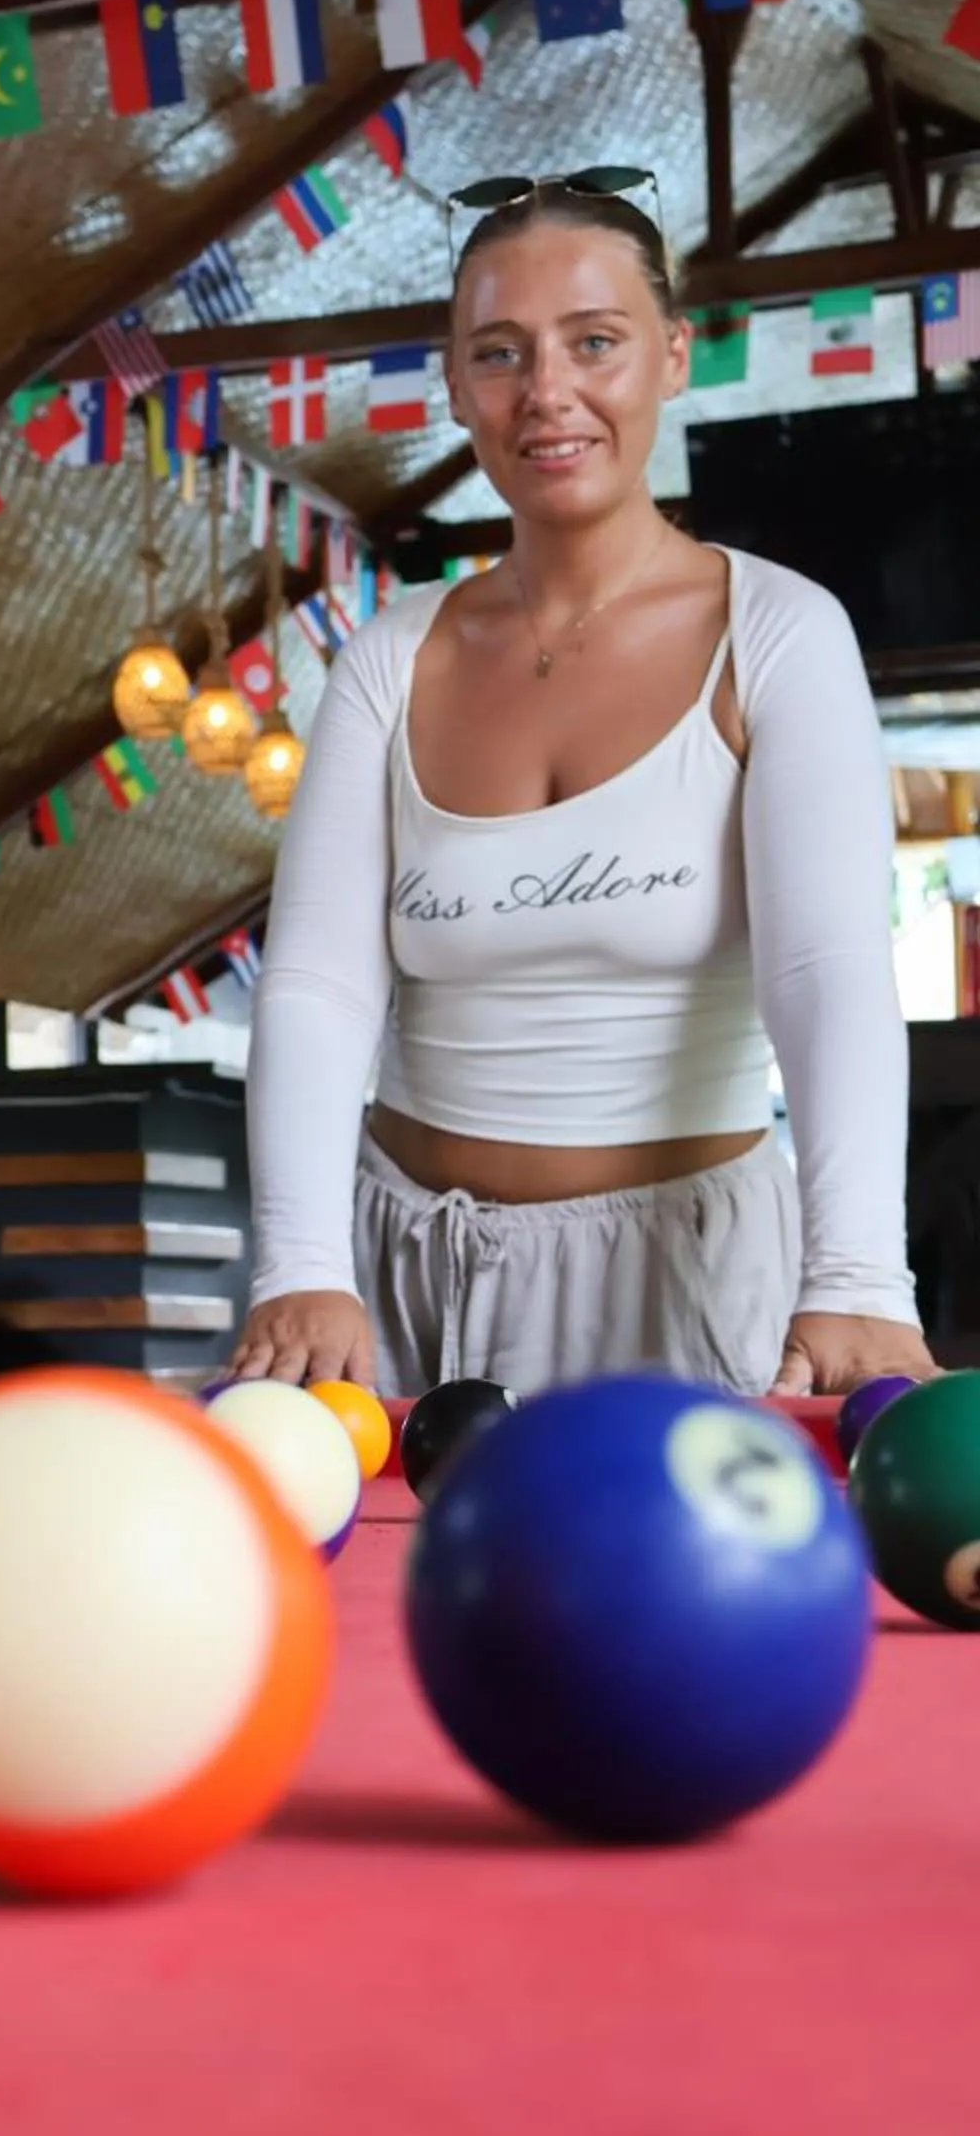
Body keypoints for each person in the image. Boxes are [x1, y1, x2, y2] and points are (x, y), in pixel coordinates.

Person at [233, 169, 934, 1403]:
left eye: (593, 341)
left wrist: (860, 1277)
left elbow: (823, 973)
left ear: (671, 355)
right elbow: (316, 984)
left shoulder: (776, 631)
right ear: (454, 387)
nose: (545, 392)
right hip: (399, 1271)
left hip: (684, 1275)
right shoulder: (390, 654)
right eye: (498, 353)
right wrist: (298, 1261)